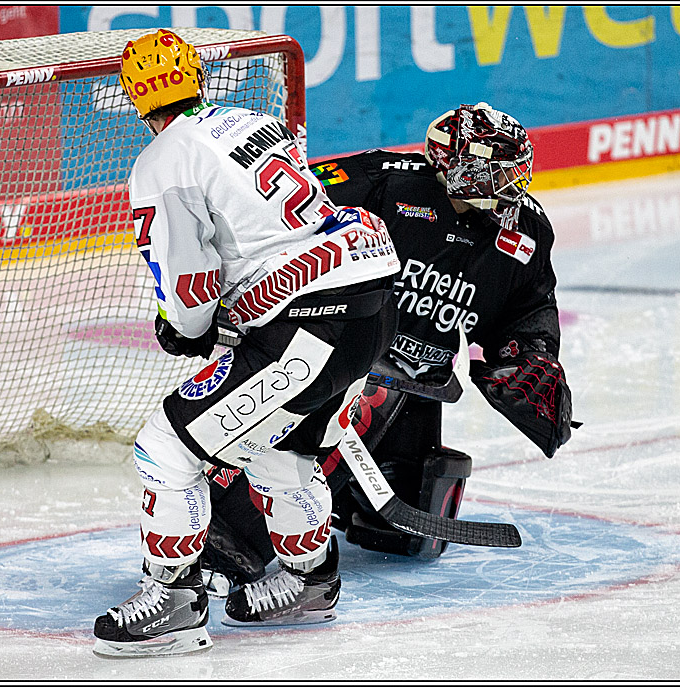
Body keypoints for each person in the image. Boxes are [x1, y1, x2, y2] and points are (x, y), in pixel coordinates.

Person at [92, 30, 400, 657]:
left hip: (309, 325)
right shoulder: (248, 120)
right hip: (368, 309)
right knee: (282, 450)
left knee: (167, 447)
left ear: (133, 97)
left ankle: (175, 601)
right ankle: (309, 583)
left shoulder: (162, 161)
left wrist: (185, 328)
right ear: (197, 77)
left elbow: (188, 278)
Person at [201, 102, 576, 589]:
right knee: (310, 439)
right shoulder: (385, 181)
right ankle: (228, 539)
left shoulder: (526, 230)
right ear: (450, 163)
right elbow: (286, 216)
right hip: (341, 350)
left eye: (512, 172)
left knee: (406, 537)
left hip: (422, 382)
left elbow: (529, 307)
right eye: (492, 172)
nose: (508, 185)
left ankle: (336, 503)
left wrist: (530, 354)